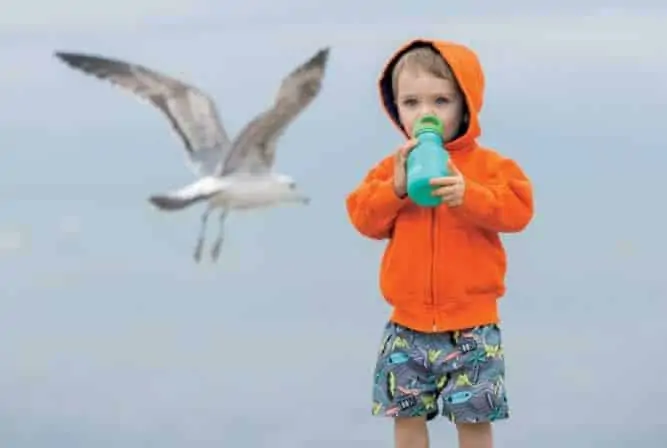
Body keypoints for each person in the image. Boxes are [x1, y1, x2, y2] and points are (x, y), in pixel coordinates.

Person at [345, 38, 534, 448]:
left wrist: (470, 195)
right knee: (407, 419)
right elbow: (363, 218)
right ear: (396, 108)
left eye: (441, 100)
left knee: (474, 422)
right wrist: (394, 190)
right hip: (407, 324)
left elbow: (518, 210)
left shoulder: (489, 167)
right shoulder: (392, 168)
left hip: (472, 326)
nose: (425, 113)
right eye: (411, 102)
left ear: (466, 104)